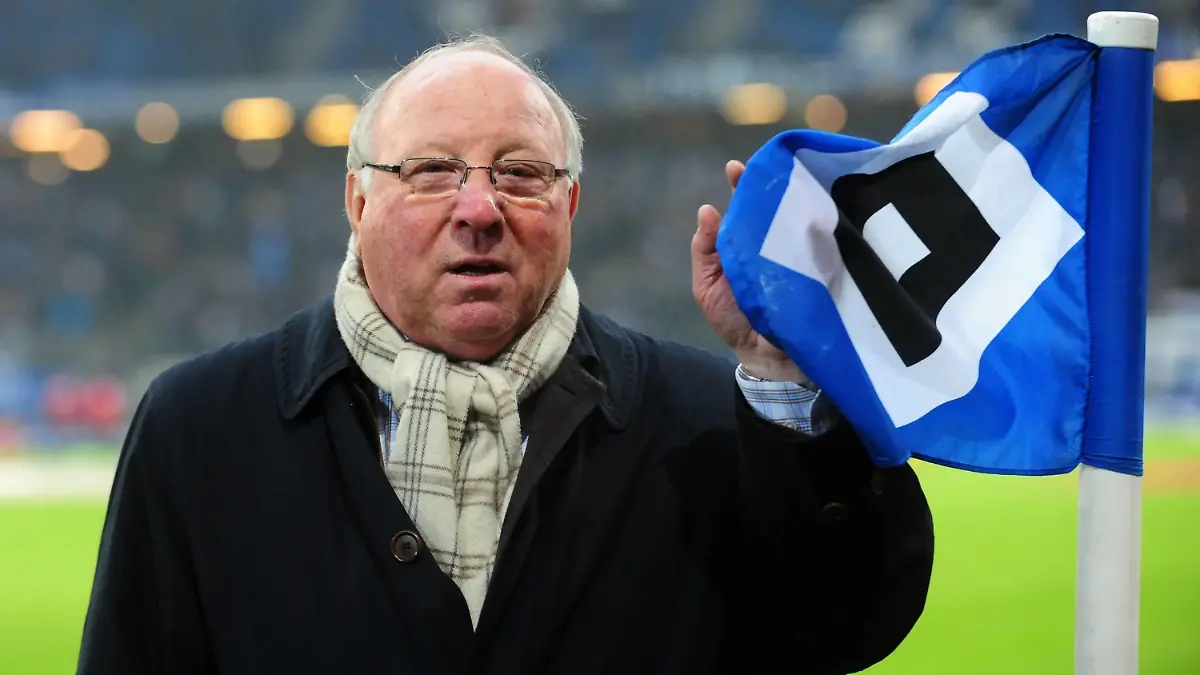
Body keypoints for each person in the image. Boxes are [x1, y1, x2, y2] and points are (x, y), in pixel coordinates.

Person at [77, 35, 935, 675]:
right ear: (357, 198)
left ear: (571, 203)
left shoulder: (712, 419)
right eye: (433, 171)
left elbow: (848, 627)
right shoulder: (200, 426)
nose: (480, 208)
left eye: (520, 173)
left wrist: (785, 386)